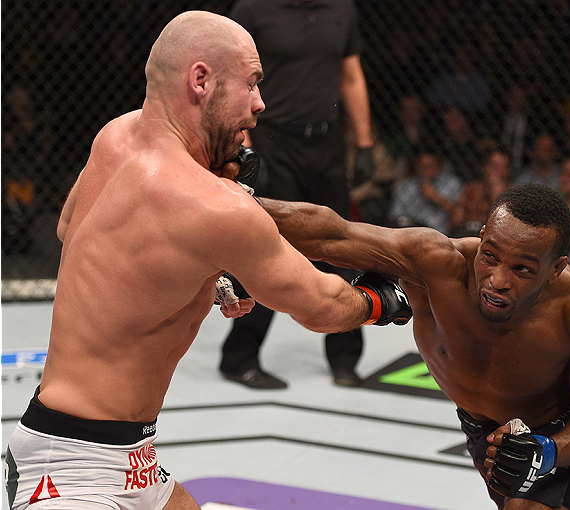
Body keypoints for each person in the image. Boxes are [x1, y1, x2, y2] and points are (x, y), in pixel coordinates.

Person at [3, 12, 412, 510]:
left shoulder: (115, 136)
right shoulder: (215, 205)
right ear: (201, 80)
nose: (261, 103)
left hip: (129, 455)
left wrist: (197, 274)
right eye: (253, 83)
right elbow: (323, 305)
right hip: (70, 473)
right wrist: (385, 299)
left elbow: (72, 228)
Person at [258, 183, 570, 509]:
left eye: (523, 269)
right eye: (491, 256)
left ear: (557, 268)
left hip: (558, 431)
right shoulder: (436, 262)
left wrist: (547, 451)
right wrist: (233, 202)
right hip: (481, 429)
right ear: (482, 237)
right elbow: (331, 234)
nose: (498, 280)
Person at [219, 0, 377, 389]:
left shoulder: (341, 8)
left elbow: (350, 74)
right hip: (272, 136)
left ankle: (344, 357)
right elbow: (233, 78)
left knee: (342, 242)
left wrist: (365, 141)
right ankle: (239, 357)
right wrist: (245, 146)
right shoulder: (253, 10)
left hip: (326, 139)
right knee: (268, 247)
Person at [387, 144, 463, 235]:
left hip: (441, 235)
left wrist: (436, 197)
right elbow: (395, 216)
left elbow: (460, 215)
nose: (426, 170)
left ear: (439, 166)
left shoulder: (452, 184)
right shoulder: (406, 187)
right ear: (416, 167)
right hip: (410, 234)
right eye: (422, 166)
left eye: (430, 166)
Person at [449, 150, 511, 238]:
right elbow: (456, 219)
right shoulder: (471, 188)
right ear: (485, 167)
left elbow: (504, 223)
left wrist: (495, 190)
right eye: (494, 166)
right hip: (466, 234)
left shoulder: (512, 193)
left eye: (502, 166)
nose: (497, 171)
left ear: (507, 170)